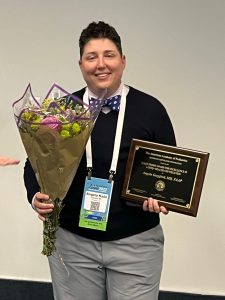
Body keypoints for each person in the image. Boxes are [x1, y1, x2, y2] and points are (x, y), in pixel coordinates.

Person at [24, 21, 176, 300]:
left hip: (136, 244)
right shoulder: (61, 111)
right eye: (91, 57)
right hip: (72, 243)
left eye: (109, 55)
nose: (101, 64)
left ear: (123, 60)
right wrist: (35, 195)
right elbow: (34, 163)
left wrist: (161, 196)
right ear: (80, 64)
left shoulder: (151, 110)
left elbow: (167, 169)